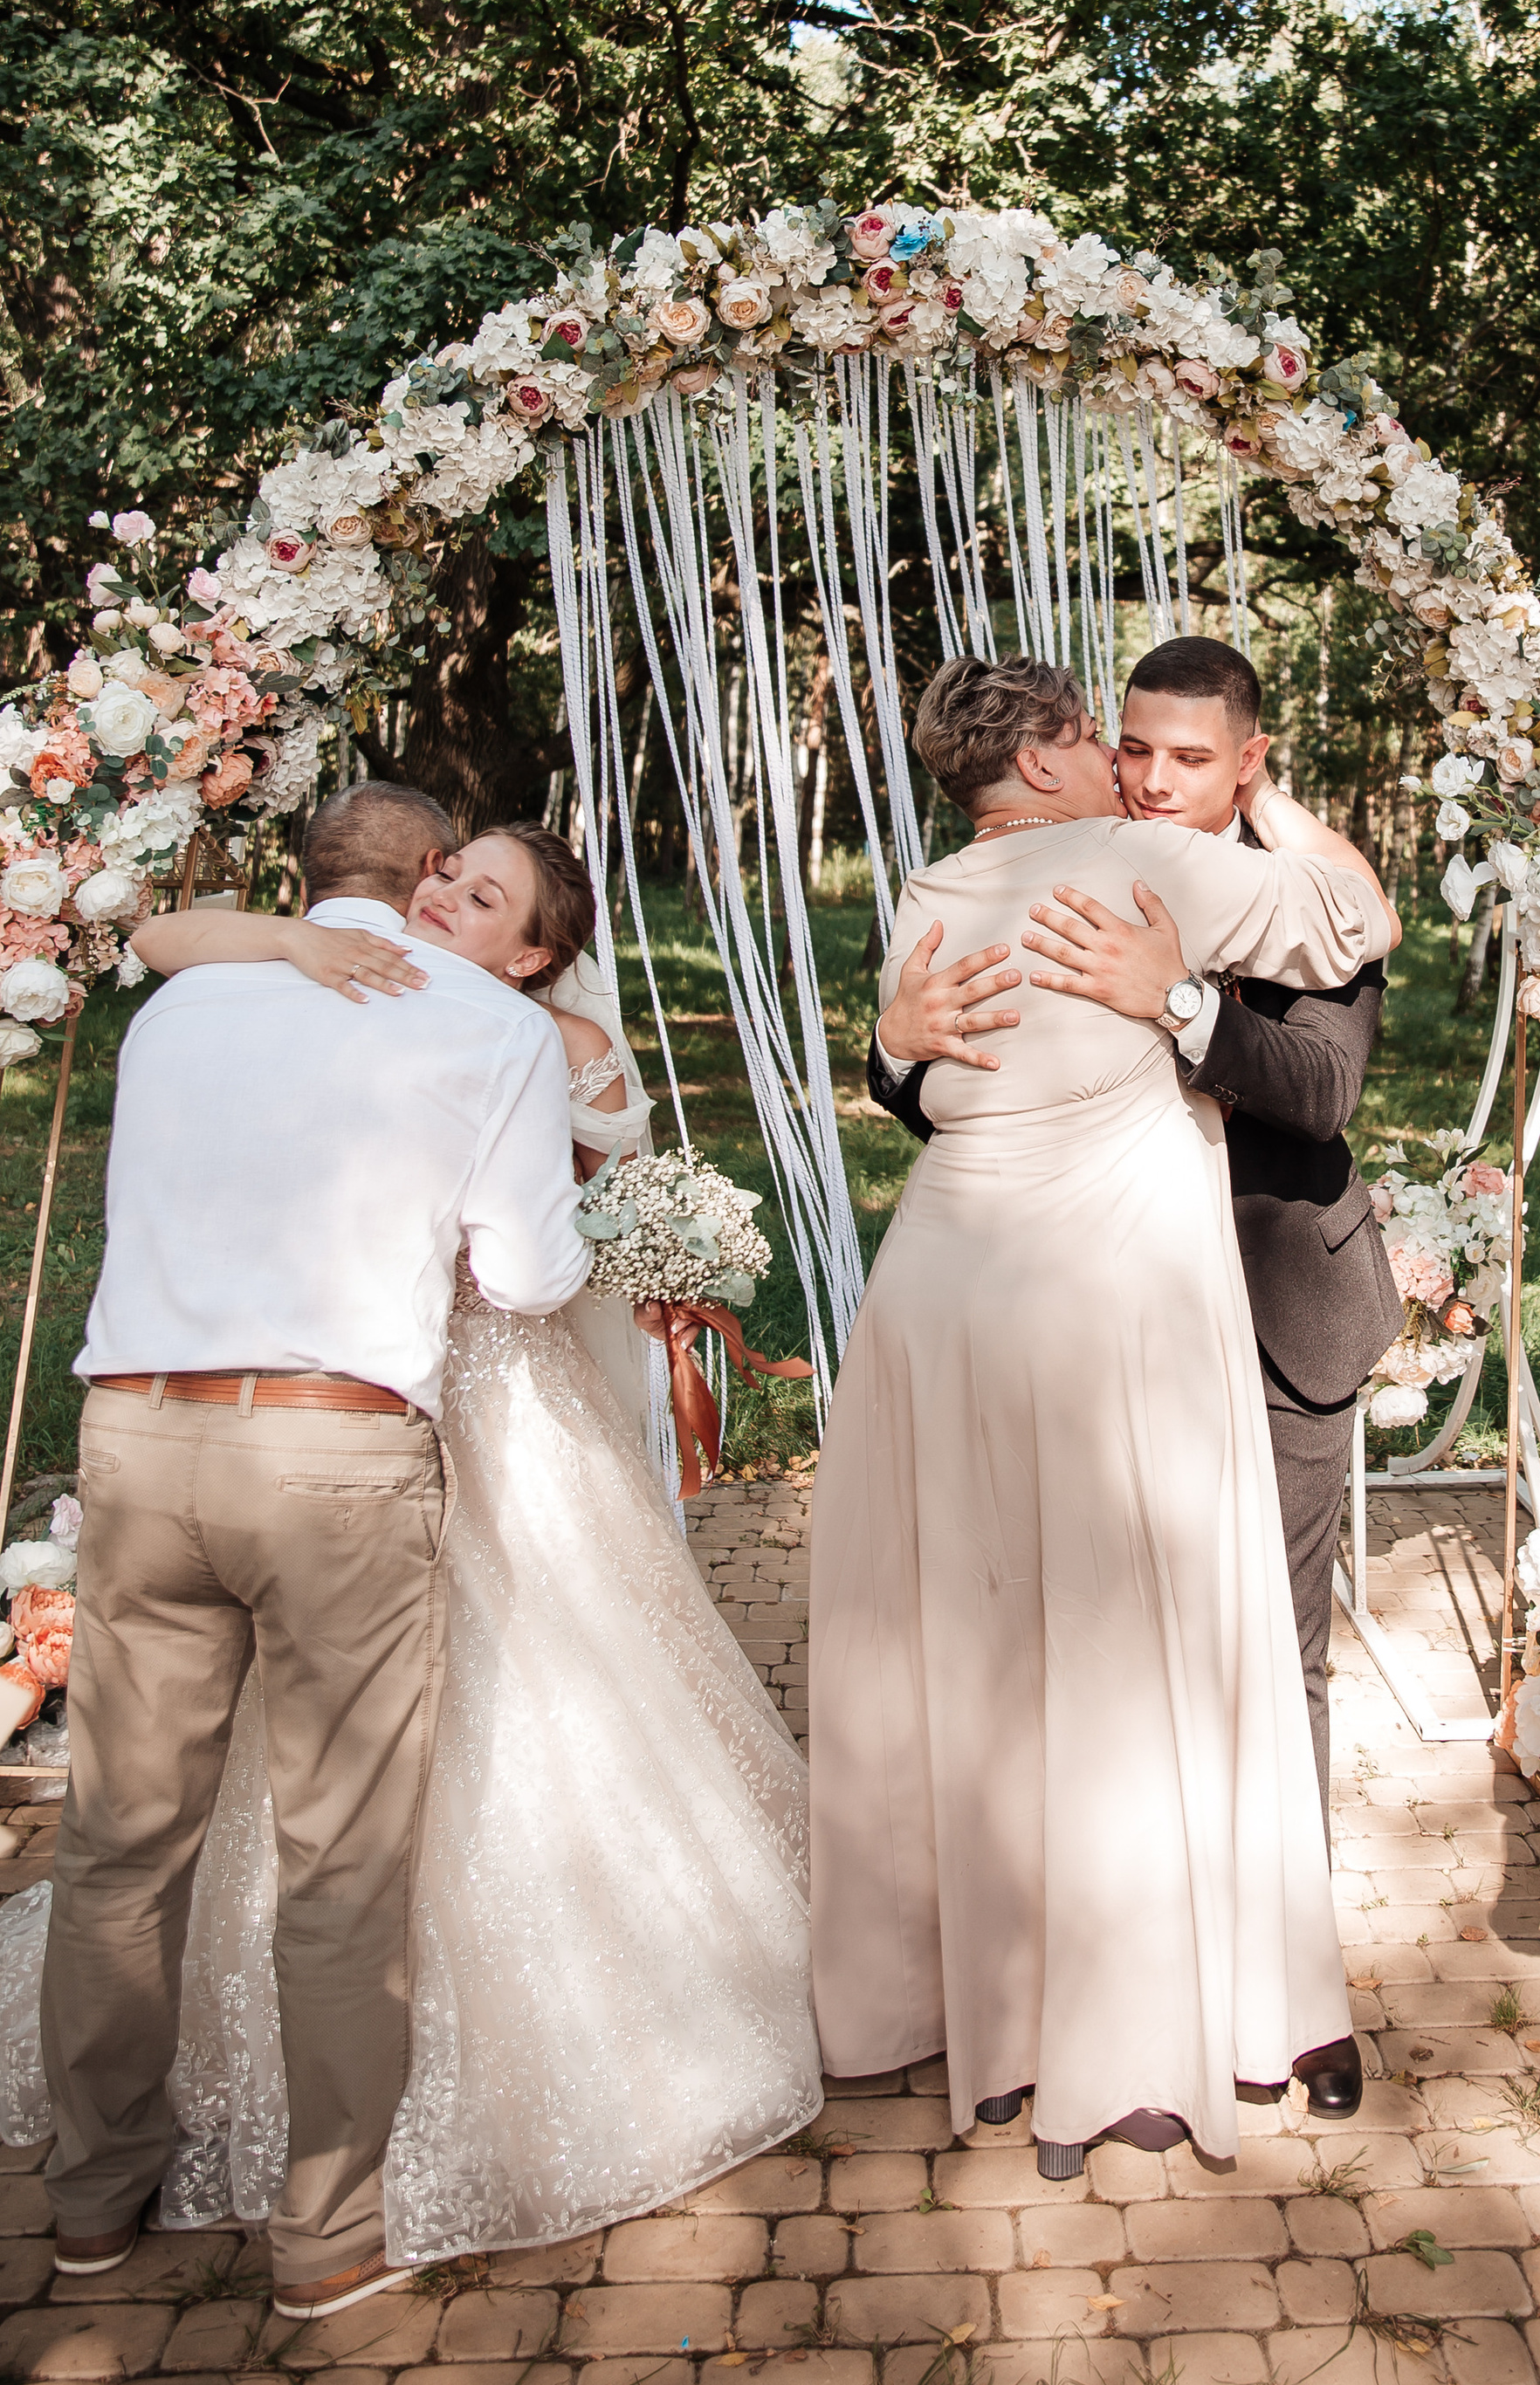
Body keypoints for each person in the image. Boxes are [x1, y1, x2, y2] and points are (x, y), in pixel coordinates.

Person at [5, 788, 821, 2302]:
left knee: (119, 1845)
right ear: (427, 874)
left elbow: (171, 951)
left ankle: (91, 2205)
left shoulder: (181, 1006)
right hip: (332, 1452)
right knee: (342, 1857)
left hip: (135, 1437)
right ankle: (325, 2243)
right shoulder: (486, 1033)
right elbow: (518, 1279)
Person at [809, 655, 1398, 2182]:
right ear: (1073, 757)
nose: (1145, 779)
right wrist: (894, 1037)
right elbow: (927, 1070)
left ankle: (1267, 1990)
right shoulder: (1130, 858)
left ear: (1247, 763)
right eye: (1122, 748)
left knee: (1243, 1654)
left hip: (1210, 1297)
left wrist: (1181, 1002)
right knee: (1105, 1653)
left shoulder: (976, 876)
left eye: (1181, 758)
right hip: (1107, 1311)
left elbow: (1320, 1090)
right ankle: (1120, 2011)